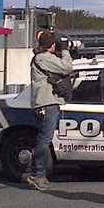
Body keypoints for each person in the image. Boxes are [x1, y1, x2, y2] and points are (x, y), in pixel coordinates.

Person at [26, 32, 72, 190]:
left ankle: (40, 174)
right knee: (44, 140)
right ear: (50, 45)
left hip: (48, 102)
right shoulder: (43, 58)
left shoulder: (45, 57)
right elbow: (67, 67)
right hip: (46, 103)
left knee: (44, 139)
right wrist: (65, 50)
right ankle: (35, 173)